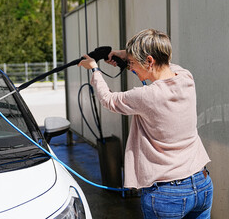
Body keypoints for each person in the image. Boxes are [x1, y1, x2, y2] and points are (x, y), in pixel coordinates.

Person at [78, 29, 213, 218]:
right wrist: (123, 54)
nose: (130, 67)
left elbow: (108, 99)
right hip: (202, 184)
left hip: (168, 195)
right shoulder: (186, 77)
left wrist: (94, 68)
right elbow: (164, 61)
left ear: (149, 61)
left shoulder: (146, 96)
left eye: (132, 63)